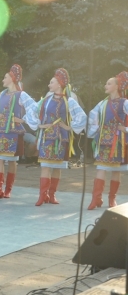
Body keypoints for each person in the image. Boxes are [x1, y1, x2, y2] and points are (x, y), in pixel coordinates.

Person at [25, 68, 87, 206]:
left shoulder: (69, 101)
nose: (49, 85)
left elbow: (81, 116)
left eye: (51, 82)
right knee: (45, 166)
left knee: (57, 167)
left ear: (59, 84)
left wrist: (68, 127)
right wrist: (40, 126)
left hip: (61, 139)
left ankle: (52, 195)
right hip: (46, 138)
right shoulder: (45, 101)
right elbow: (31, 113)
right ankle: (43, 195)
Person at [0, 65, 37, 200]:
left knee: (11, 161)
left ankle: (8, 190)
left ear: (12, 78)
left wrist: (22, 120)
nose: (3, 79)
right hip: (0, 130)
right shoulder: (0, 95)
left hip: (14, 132)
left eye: (5, 77)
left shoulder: (21, 94)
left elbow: (34, 107)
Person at [86, 72, 128, 209]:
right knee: (101, 168)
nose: (106, 85)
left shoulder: (125, 102)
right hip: (104, 140)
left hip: (119, 142)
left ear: (117, 86)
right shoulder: (103, 103)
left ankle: (112, 199)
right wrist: (95, 129)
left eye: (109, 83)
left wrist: (125, 129)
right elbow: (93, 117)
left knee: (116, 170)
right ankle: (96, 198)